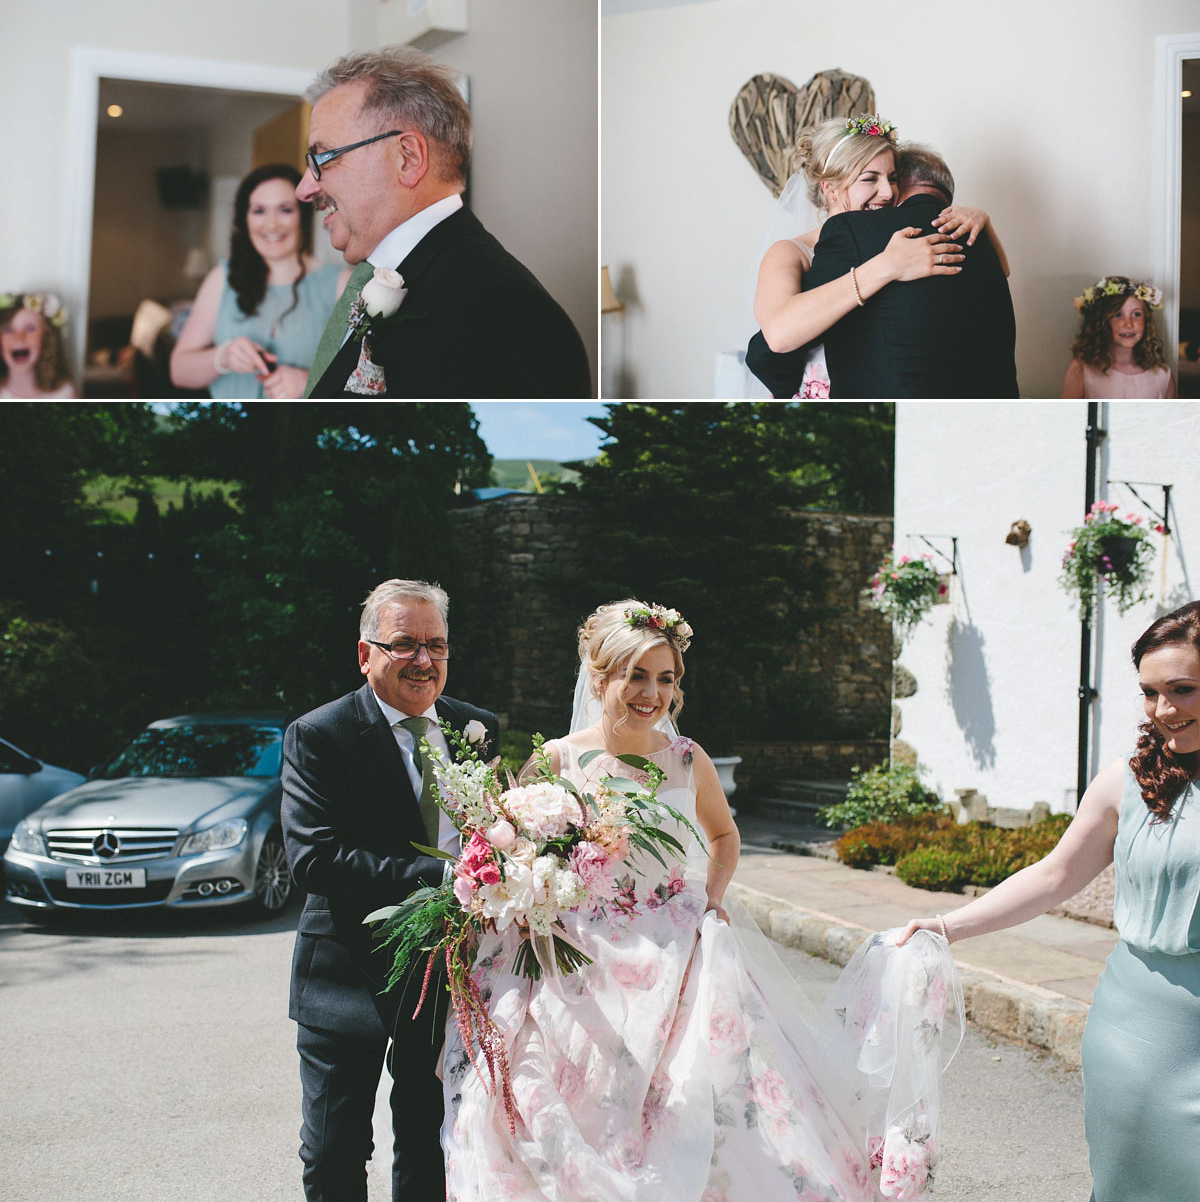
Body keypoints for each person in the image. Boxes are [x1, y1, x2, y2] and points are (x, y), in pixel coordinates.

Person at [441, 599, 961, 1201]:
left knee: (708, 1099)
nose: (651, 693)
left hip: (677, 950)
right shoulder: (556, 759)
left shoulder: (686, 759)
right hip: (578, 960)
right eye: (636, 675)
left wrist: (708, 901)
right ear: (600, 674)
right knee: (577, 1100)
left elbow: (724, 836)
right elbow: (513, 851)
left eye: (665, 679)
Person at [899, 599, 1200, 1202]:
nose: (1163, 710)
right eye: (1148, 692)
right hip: (1136, 1033)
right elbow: (1054, 875)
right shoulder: (1126, 780)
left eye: (1183, 689)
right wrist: (948, 925)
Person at [281, 578, 499, 1201]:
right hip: (344, 977)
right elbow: (314, 858)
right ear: (365, 654)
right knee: (334, 1151)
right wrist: (449, 876)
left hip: (446, 977)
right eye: (404, 644)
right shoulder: (318, 734)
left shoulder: (476, 728)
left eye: (437, 644)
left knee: (432, 1145)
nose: (424, 660)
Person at [295, 45, 592, 399]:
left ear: (407, 158)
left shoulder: (502, 310)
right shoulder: (378, 277)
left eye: (323, 158)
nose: (304, 189)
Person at [747, 139, 1018, 399]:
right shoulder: (791, 252)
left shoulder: (899, 240)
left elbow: (997, 272)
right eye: (869, 178)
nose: (889, 192)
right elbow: (775, 342)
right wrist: (888, 266)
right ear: (830, 188)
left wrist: (983, 221)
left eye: (892, 178)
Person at [171, 163, 349, 399]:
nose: (271, 224)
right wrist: (222, 357)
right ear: (245, 219)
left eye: (285, 210)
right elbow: (178, 371)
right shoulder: (222, 278)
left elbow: (370, 380)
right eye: (259, 211)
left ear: (303, 215)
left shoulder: (340, 284)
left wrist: (310, 382)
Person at [1061, 276, 1177, 398]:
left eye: (1136, 314)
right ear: (1102, 321)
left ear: (1146, 321)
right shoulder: (1083, 370)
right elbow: (1067, 415)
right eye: (1117, 315)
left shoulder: (1163, 375)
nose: (1128, 323)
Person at [0, 292, 76, 397]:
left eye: (30, 328)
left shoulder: (64, 393)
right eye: (8, 330)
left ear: (46, 338)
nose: (19, 338)